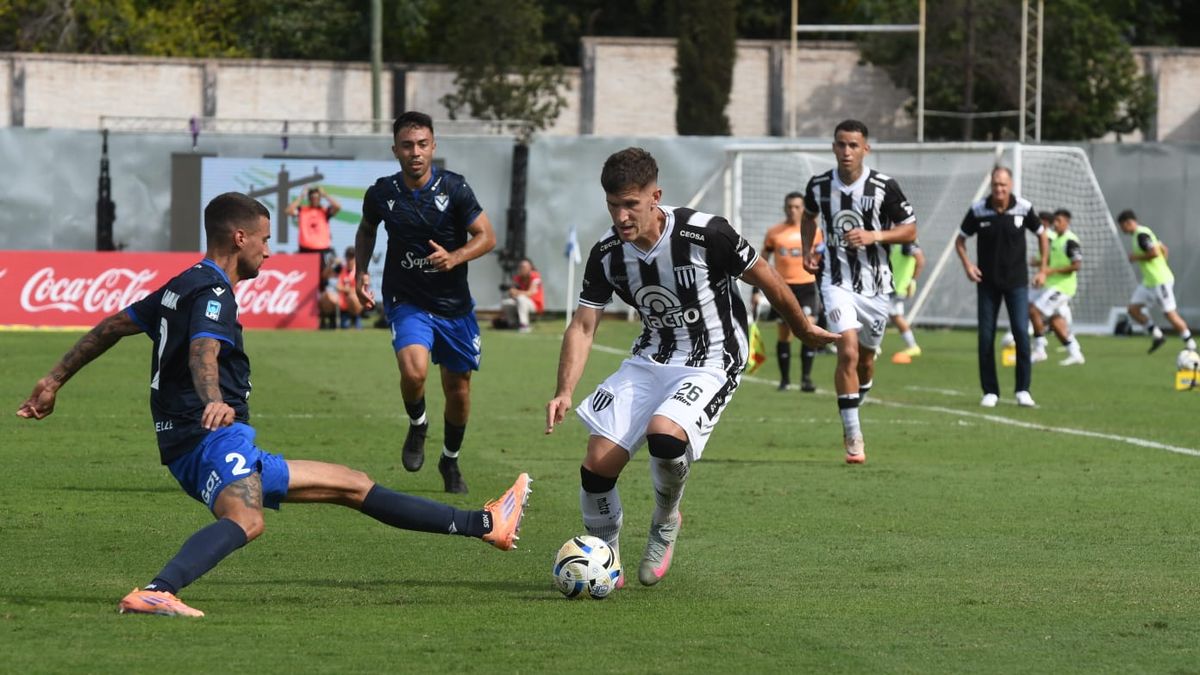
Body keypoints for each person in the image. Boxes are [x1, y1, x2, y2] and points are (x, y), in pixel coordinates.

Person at [15, 192, 530, 618]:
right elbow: (204, 349)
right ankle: (158, 588)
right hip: (210, 436)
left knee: (350, 483)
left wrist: (54, 378)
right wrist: (214, 401)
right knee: (247, 519)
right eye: (264, 239)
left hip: (192, 438)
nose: (270, 250)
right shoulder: (215, 291)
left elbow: (111, 327)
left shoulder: (183, 282)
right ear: (239, 238)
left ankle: (485, 525)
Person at [544, 148, 837, 589]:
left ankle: (665, 519)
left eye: (631, 205)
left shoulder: (706, 233)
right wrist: (565, 389)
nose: (621, 216)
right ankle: (608, 556)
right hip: (650, 359)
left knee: (665, 435)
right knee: (596, 465)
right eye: (613, 205)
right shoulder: (607, 253)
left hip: (713, 359)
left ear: (655, 196)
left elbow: (767, 276)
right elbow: (584, 326)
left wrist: (803, 328)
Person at [355, 111, 497, 494]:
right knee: (414, 371)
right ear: (395, 150)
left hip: (454, 306)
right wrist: (360, 273)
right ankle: (418, 426)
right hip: (407, 299)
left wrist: (456, 256)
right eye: (407, 145)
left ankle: (450, 461)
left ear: (433, 146)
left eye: (422, 144)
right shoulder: (382, 193)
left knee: (458, 389)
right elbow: (367, 228)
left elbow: (486, 236)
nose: (415, 152)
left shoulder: (456, 189)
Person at [800, 119, 918, 463]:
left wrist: (875, 236)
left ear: (866, 148)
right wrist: (810, 247)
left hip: (877, 288)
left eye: (853, 145)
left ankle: (857, 395)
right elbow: (809, 217)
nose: (846, 151)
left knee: (865, 360)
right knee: (847, 352)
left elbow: (910, 230)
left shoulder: (884, 186)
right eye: (841, 144)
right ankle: (853, 435)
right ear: (833, 147)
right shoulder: (819, 185)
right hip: (837, 283)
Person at [955, 167, 1048, 408]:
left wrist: (1043, 269)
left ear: (1011, 185)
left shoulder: (1024, 207)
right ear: (991, 185)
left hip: (1017, 283)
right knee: (986, 337)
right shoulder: (978, 209)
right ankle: (990, 391)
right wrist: (968, 266)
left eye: (1003, 185)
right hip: (987, 283)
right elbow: (960, 240)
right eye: (996, 184)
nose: (999, 189)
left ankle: (1023, 390)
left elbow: (1042, 234)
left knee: (1020, 332)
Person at [749, 192, 826, 392]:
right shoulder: (774, 233)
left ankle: (806, 379)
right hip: (783, 287)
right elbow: (760, 263)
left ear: (804, 209)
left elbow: (824, 261)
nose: (793, 210)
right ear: (784, 208)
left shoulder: (815, 232)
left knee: (809, 328)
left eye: (797, 207)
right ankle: (784, 380)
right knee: (785, 334)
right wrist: (755, 291)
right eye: (790, 206)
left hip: (807, 286)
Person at [1116, 210, 1196, 354]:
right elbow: (1164, 249)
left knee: (1169, 313)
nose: (1122, 229)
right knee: (1133, 309)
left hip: (1160, 281)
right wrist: (1160, 262)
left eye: (1122, 226)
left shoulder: (1141, 235)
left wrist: (1136, 257)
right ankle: (1157, 335)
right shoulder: (1141, 234)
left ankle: (1190, 342)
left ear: (1128, 223)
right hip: (1149, 282)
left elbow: (1154, 252)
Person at [1028, 209, 1085, 365]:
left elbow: (1076, 265)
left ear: (1067, 222)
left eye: (1059, 221)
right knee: (1055, 322)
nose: (1056, 224)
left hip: (1063, 288)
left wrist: (1050, 271)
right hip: (1051, 285)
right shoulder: (1056, 240)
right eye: (1055, 221)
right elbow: (1050, 263)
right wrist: (1042, 274)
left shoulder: (1070, 241)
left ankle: (1039, 349)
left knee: (1033, 310)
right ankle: (1075, 352)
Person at [287, 186, 342, 329]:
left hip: (322, 251)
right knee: (305, 286)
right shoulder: (303, 210)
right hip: (305, 251)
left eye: (317, 197)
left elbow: (337, 206)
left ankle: (325, 315)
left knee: (323, 284)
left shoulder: (324, 211)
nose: (315, 199)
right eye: (313, 197)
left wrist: (326, 195)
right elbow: (288, 211)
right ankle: (308, 318)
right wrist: (301, 197)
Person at [888, 239, 925, 362]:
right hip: (894, 285)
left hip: (898, 286)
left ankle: (871, 346)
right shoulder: (898, 242)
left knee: (877, 314)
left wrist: (912, 280)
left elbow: (920, 260)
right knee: (895, 316)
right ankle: (912, 346)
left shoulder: (907, 242)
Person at [500, 258, 544, 332]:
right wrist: (512, 293)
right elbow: (513, 294)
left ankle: (524, 325)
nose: (522, 269)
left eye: (524, 267)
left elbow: (531, 293)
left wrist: (516, 292)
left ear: (530, 267)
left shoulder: (535, 276)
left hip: (535, 305)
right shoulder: (517, 278)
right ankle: (512, 324)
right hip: (521, 302)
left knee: (521, 298)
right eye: (520, 267)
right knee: (506, 302)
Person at [336, 245, 367, 329]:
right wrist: (334, 263)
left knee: (353, 297)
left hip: (356, 303)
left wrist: (345, 289)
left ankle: (356, 317)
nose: (349, 260)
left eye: (352, 257)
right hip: (344, 305)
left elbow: (361, 289)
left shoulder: (360, 270)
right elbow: (328, 275)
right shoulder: (341, 269)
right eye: (348, 257)